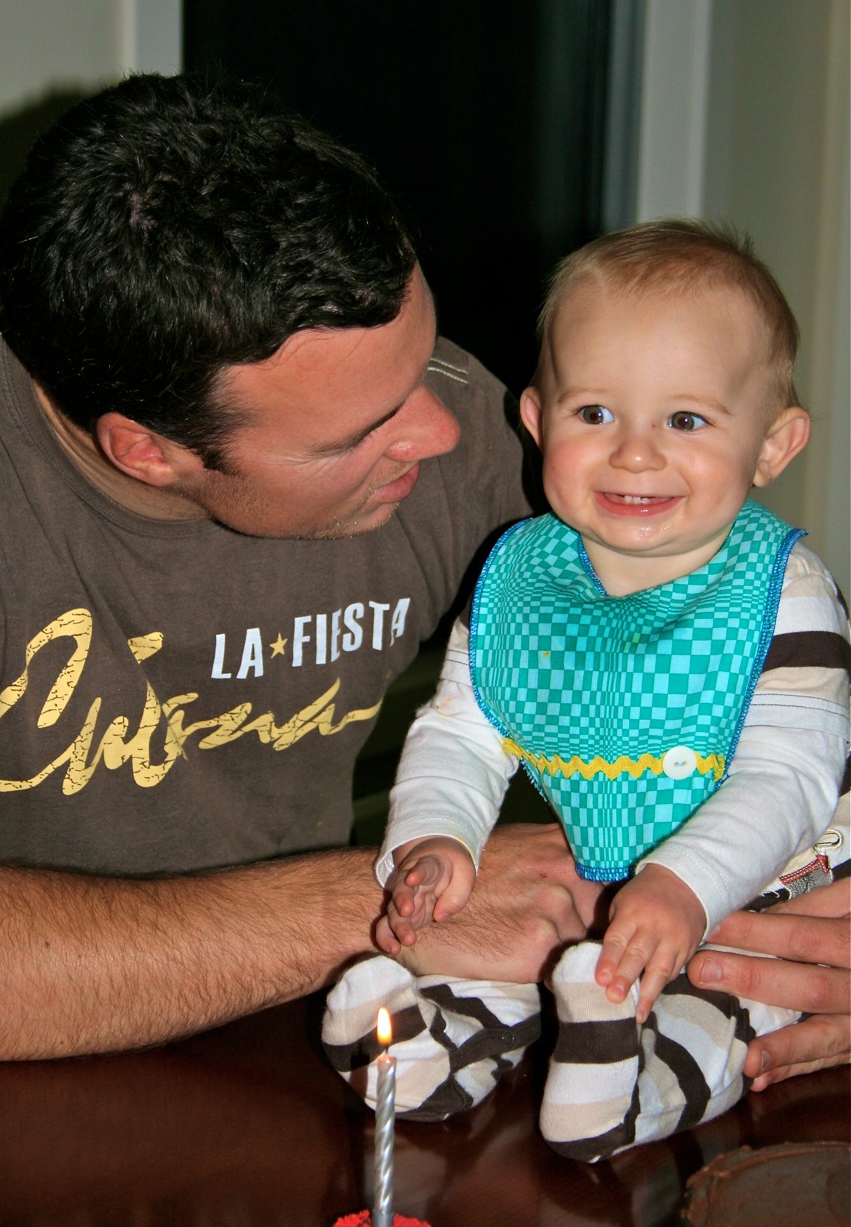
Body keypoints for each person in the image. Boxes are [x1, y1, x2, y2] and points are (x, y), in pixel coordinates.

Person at [0, 76, 844, 1076]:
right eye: (358, 432)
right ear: (148, 452)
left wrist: (810, 905)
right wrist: (365, 902)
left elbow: (776, 679)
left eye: (423, 358)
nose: (443, 430)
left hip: (315, 1057)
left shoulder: (485, 439)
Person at [323, 221, 849, 1160]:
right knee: (487, 951)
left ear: (773, 446)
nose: (633, 454)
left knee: (726, 1003)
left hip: (767, 892)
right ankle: (421, 1053)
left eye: (685, 421)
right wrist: (434, 837)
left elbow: (789, 775)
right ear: (536, 421)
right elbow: (461, 732)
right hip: (600, 881)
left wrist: (684, 885)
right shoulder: (517, 578)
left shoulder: (782, 589)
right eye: (595, 413)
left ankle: (626, 1091)